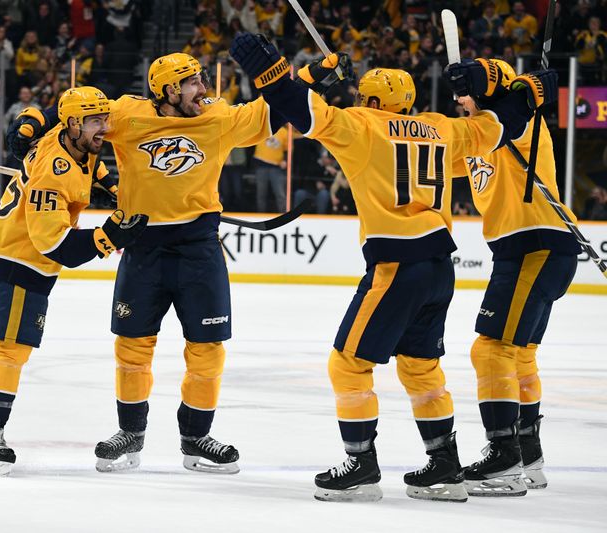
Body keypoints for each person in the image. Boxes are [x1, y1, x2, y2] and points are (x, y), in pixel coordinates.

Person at [230, 34, 554, 502]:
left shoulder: (360, 125)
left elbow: (296, 107)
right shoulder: (443, 129)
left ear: (369, 100)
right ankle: (444, 465)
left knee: (348, 362)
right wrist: (529, 89)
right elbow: (504, 123)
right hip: (440, 266)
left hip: (396, 262)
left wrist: (270, 68)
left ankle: (361, 465)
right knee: (421, 366)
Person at [7, 52, 286, 474]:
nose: (203, 89)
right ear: (169, 90)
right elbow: (77, 110)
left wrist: (308, 75)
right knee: (133, 347)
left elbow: (272, 110)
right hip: (143, 246)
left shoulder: (218, 116)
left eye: (201, 81)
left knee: (208, 348)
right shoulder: (128, 114)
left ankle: (197, 439)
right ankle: (130, 435)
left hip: (199, 246)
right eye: (193, 83)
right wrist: (32, 120)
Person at [0, 86, 149, 476]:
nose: (105, 127)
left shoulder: (69, 139)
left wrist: (113, 188)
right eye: (96, 121)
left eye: (105, 118)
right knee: (11, 350)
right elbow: (57, 246)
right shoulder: (55, 168)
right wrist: (111, 235)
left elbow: (85, 160)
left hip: (5, 249)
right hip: (23, 259)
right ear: (73, 124)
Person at [455, 59, 581, 496]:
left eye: (465, 91)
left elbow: (516, 105)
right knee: (519, 353)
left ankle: (503, 458)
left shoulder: (519, 122)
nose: (457, 99)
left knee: (489, 349)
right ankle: (529, 456)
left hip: (537, 245)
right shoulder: (477, 134)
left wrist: (513, 88)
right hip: (524, 250)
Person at [253, 126, 288, 213]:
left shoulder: (284, 132)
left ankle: (283, 215)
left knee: (280, 194)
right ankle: (260, 216)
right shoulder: (263, 126)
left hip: (276, 167)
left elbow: (288, 150)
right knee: (261, 194)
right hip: (261, 165)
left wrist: (285, 160)